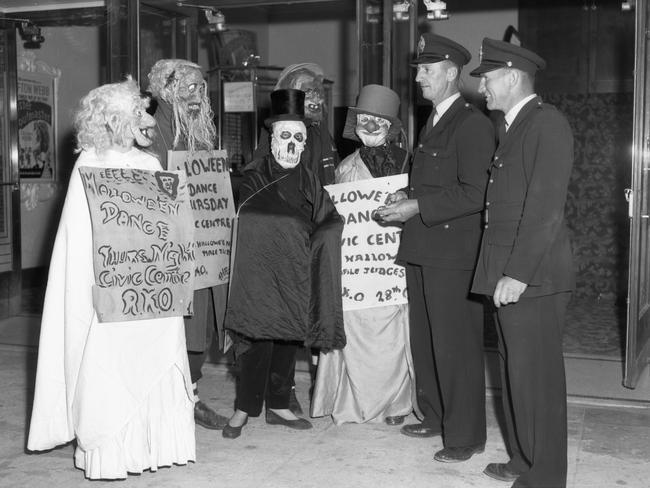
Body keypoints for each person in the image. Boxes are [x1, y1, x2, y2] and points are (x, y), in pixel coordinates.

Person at [27, 78, 195, 479]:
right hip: (110, 295)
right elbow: (79, 240)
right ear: (112, 119)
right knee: (109, 365)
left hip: (151, 293)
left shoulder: (152, 164)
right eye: (136, 112)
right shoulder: (90, 164)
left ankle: (153, 448)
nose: (146, 119)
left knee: (157, 355)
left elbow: (169, 231)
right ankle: (112, 450)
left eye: (143, 111)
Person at [377, 33, 494, 463]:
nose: (419, 77)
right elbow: (435, 182)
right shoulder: (434, 119)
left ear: (450, 73)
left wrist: (417, 205)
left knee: (456, 345)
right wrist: (404, 196)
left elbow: (476, 192)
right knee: (426, 340)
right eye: (419, 70)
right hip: (424, 248)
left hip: (452, 255)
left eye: (427, 70)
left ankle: (465, 436)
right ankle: (436, 415)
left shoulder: (472, 123)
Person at [469, 38, 575, 487]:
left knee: (538, 381)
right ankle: (523, 458)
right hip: (510, 270)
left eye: (488, 79)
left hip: (534, 276)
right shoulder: (514, 126)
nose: (483, 88)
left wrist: (517, 274)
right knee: (516, 373)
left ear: (512, 77)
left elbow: (544, 207)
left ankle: (544, 476)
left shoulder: (546, 124)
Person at [223, 88, 345, 439]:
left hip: (296, 271)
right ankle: (244, 407)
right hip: (260, 274)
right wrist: (295, 225)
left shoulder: (308, 177)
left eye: (299, 138)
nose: (292, 145)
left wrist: (323, 233)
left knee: (289, 339)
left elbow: (329, 217)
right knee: (258, 340)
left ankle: (278, 403)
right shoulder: (254, 173)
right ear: (273, 138)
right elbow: (251, 213)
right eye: (286, 136)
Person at [311, 84, 414, 426]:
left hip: (393, 269)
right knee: (355, 330)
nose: (370, 127)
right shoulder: (343, 168)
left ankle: (397, 403)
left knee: (395, 335)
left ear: (391, 127)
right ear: (355, 123)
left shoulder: (409, 163)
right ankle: (351, 403)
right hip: (357, 271)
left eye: (379, 122)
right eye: (364, 120)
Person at [249, 62, 340, 413]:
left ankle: (318, 386)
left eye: (317, 88)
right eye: (306, 88)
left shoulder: (320, 132)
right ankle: (280, 390)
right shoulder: (278, 135)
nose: (314, 94)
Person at [146, 58, 228, 430]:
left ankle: (190, 392)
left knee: (198, 322)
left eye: (200, 88)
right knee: (172, 322)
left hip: (202, 247)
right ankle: (175, 398)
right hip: (165, 248)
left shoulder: (201, 132)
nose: (197, 96)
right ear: (165, 90)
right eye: (188, 88)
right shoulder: (150, 133)